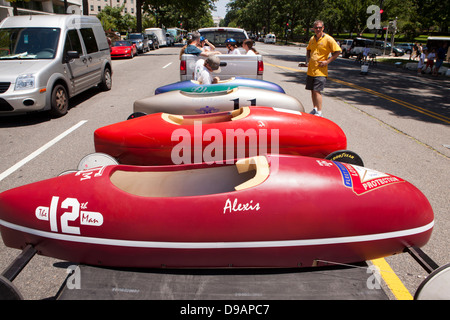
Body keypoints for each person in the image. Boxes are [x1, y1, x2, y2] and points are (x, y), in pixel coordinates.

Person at [305, 20, 341, 117]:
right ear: (313, 29)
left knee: (317, 90)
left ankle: (319, 112)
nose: (318, 29)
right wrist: (307, 60)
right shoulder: (312, 39)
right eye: (316, 28)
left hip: (321, 71)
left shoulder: (328, 39)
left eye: (319, 27)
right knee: (312, 90)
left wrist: (327, 61)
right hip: (311, 70)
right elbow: (308, 49)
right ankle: (315, 108)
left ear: (323, 28)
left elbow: (337, 51)